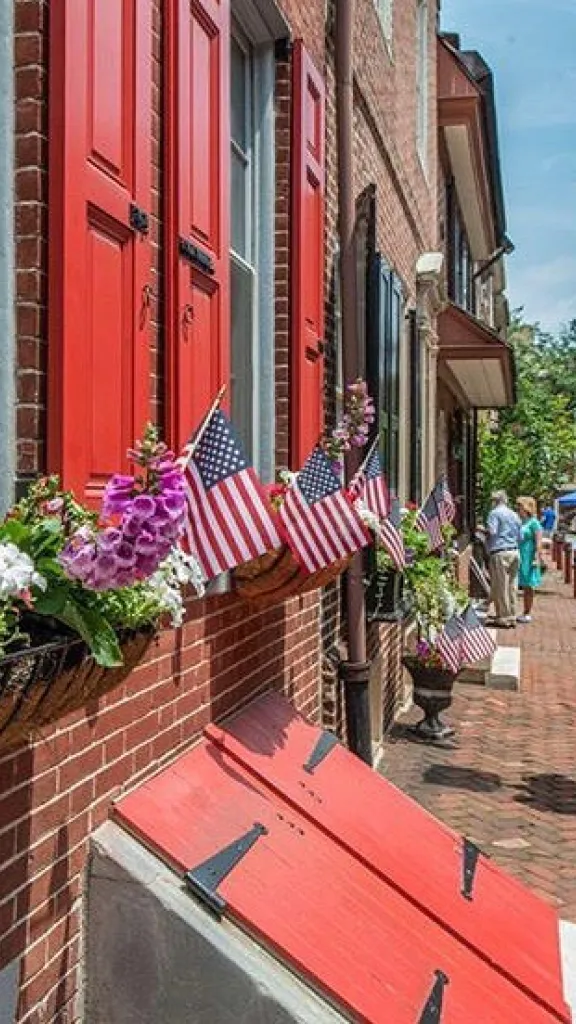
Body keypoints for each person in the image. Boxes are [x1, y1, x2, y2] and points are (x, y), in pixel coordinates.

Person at [483, 490, 522, 628]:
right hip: (515, 552)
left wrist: (481, 529)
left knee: (501, 586)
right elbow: (520, 537)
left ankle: (504, 618)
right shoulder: (515, 515)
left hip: (500, 552)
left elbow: (492, 531)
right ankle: (512, 615)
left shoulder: (494, 514)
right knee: (512, 586)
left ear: (495, 501)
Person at [516, 496, 543, 623]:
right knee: (521, 583)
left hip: (529, 556)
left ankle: (527, 612)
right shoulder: (521, 522)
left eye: (520, 506)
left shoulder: (534, 523)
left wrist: (536, 558)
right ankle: (520, 611)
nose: (518, 509)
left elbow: (538, 542)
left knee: (529, 585)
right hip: (520, 554)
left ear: (526, 508)